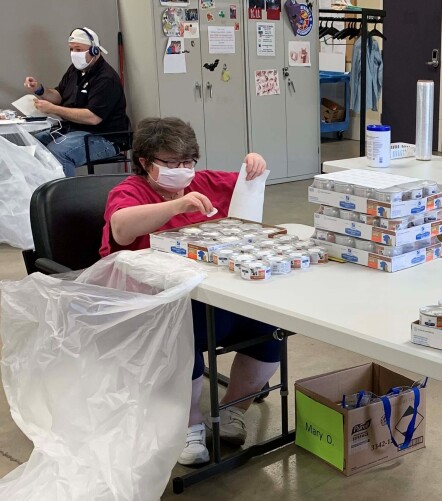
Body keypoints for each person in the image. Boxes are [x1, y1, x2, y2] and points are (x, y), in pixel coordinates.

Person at [99, 117, 280, 467]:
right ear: (144, 162)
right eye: (170, 163)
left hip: (212, 294)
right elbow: (121, 229)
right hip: (153, 305)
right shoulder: (130, 192)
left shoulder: (204, 181)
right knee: (183, 328)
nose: (182, 171)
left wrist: (254, 164)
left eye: (187, 162)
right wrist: (176, 206)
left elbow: (246, 186)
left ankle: (233, 409)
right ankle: (189, 424)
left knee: (269, 326)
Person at [23, 27, 128, 177]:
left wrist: (53, 109)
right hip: (73, 130)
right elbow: (59, 96)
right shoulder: (75, 70)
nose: (74, 54)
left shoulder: (106, 78)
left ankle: (63, 198)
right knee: (34, 145)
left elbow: (93, 117)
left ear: (94, 51)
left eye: (78, 49)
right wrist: (40, 89)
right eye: (71, 49)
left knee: (58, 152)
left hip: (104, 137)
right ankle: (40, 194)